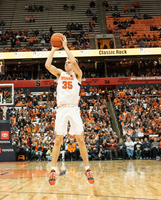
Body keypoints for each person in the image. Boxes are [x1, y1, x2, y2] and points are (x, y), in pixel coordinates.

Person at [45, 35, 94, 186]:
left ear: (74, 65)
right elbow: (47, 64)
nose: (67, 63)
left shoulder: (78, 75)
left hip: (73, 109)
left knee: (80, 139)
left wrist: (65, 47)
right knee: (58, 140)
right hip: (61, 109)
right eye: (65, 62)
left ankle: (87, 169)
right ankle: (53, 170)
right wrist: (53, 49)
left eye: (69, 62)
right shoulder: (60, 74)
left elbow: (73, 60)